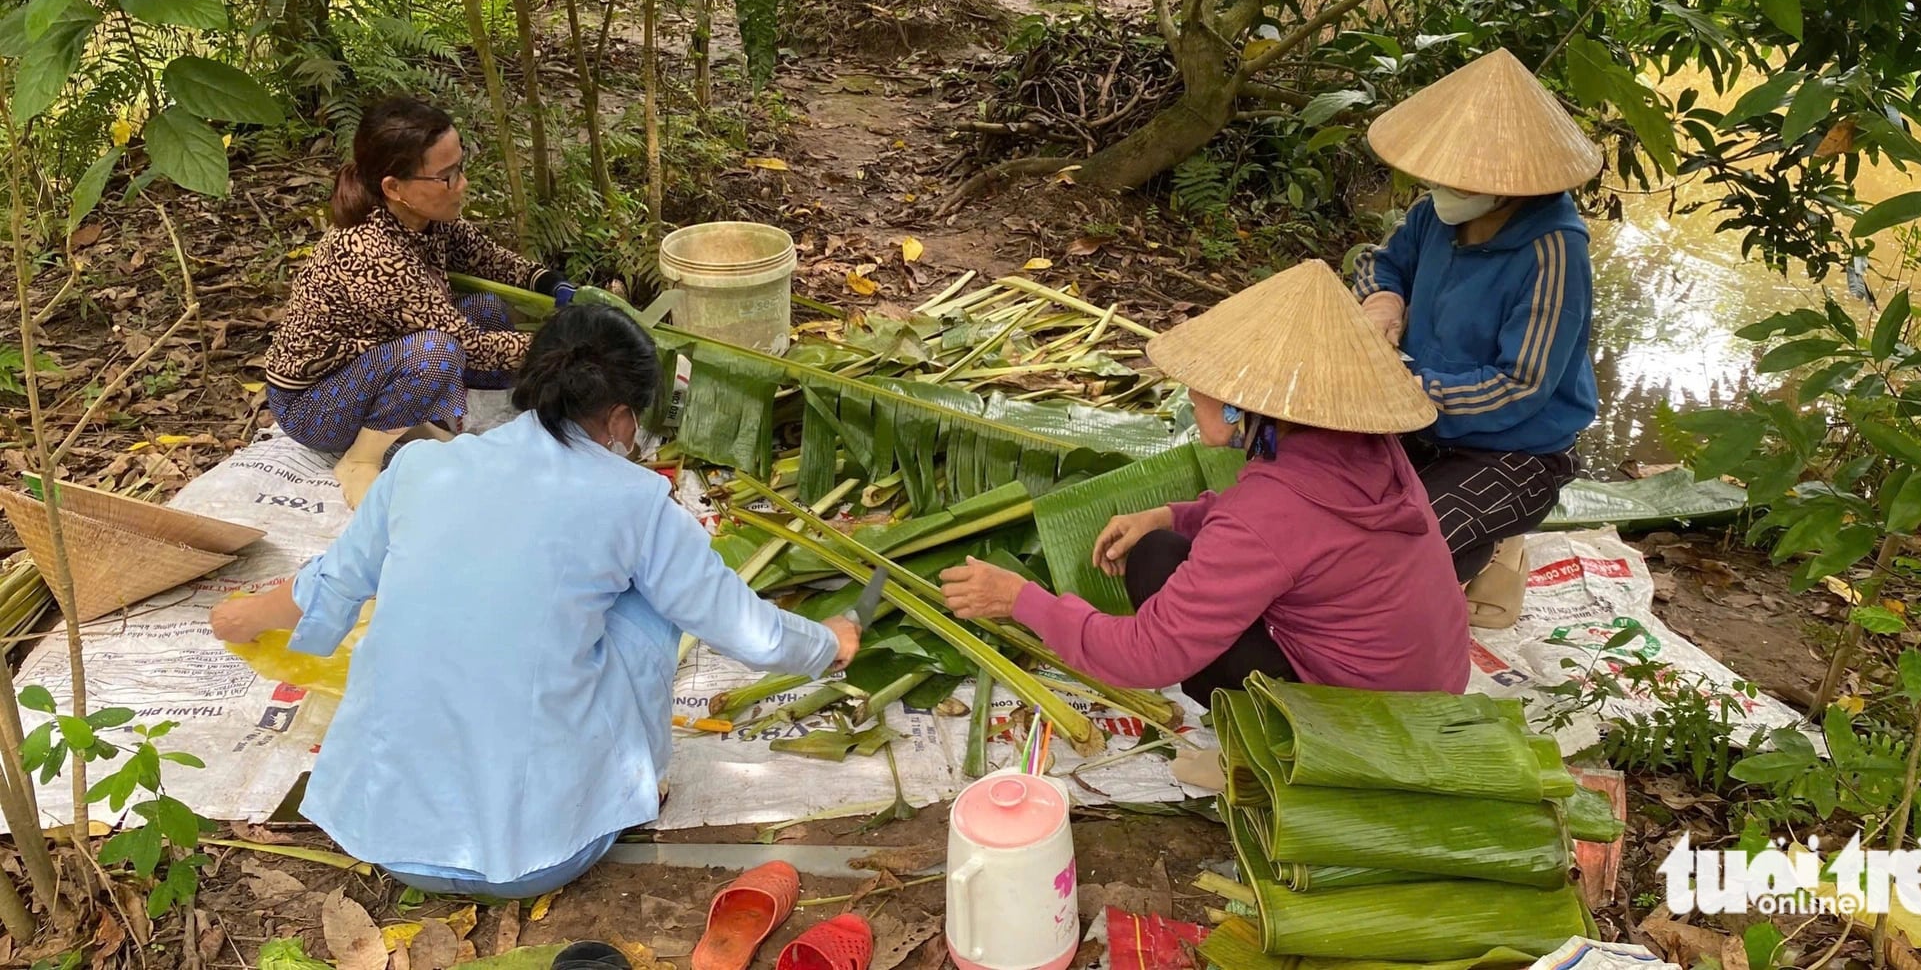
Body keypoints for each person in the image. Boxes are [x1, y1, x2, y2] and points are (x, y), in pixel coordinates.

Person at [211, 304, 863, 899]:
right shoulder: (635, 500)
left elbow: (332, 581)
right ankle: (640, 784)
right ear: (622, 418)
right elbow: (742, 627)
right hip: (546, 852)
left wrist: (242, 615)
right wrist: (830, 641)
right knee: (649, 600)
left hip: (384, 836)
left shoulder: (420, 468)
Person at [940, 260, 1468, 705]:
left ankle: (1269, 749)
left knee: (1156, 566)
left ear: (1244, 401)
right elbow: (1292, 534)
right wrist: (1172, 514)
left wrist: (1020, 601)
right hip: (1431, 686)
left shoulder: (1266, 511)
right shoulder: (1365, 446)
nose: (1191, 393)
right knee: (1161, 544)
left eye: (1204, 384)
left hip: (1364, 716)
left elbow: (1148, 654)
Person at [1352, 48, 1602, 583]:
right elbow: (1383, 263)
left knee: (1409, 547)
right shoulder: (1433, 215)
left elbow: (1520, 385)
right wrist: (1382, 301)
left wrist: (1408, 389)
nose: (1442, 189)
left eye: (1460, 181)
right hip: (1420, 417)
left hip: (1514, 448)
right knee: (1319, 497)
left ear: (1510, 183)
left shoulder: (1553, 254)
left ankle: (1490, 556)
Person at [263, 96, 576, 507]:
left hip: (370, 362)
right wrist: (568, 343)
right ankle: (360, 459)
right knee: (440, 353)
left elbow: (484, 256)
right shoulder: (373, 252)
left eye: (460, 168)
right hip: (315, 403)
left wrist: (549, 282)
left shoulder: (424, 217)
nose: (461, 184)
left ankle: (407, 420)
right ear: (394, 187)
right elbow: (469, 347)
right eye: (446, 177)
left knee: (487, 310)